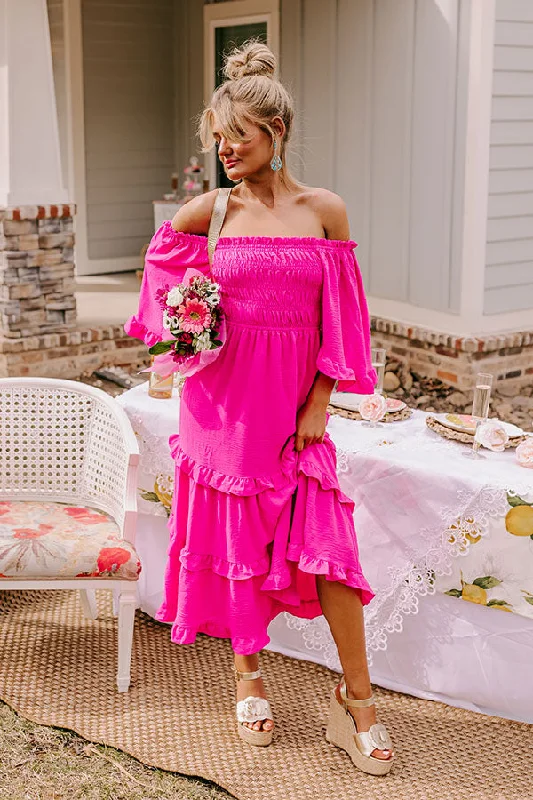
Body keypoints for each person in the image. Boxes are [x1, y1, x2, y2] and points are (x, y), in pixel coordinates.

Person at [125, 40, 394, 775]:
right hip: (221, 409)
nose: (224, 151)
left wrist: (321, 399)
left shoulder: (323, 211)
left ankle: (357, 701)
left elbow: (343, 319)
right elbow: (161, 283)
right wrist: (186, 332)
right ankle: (247, 677)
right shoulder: (210, 211)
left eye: (236, 136)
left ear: (275, 132)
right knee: (239, 548)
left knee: (332, 554)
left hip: (294, 410)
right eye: (216, 139)